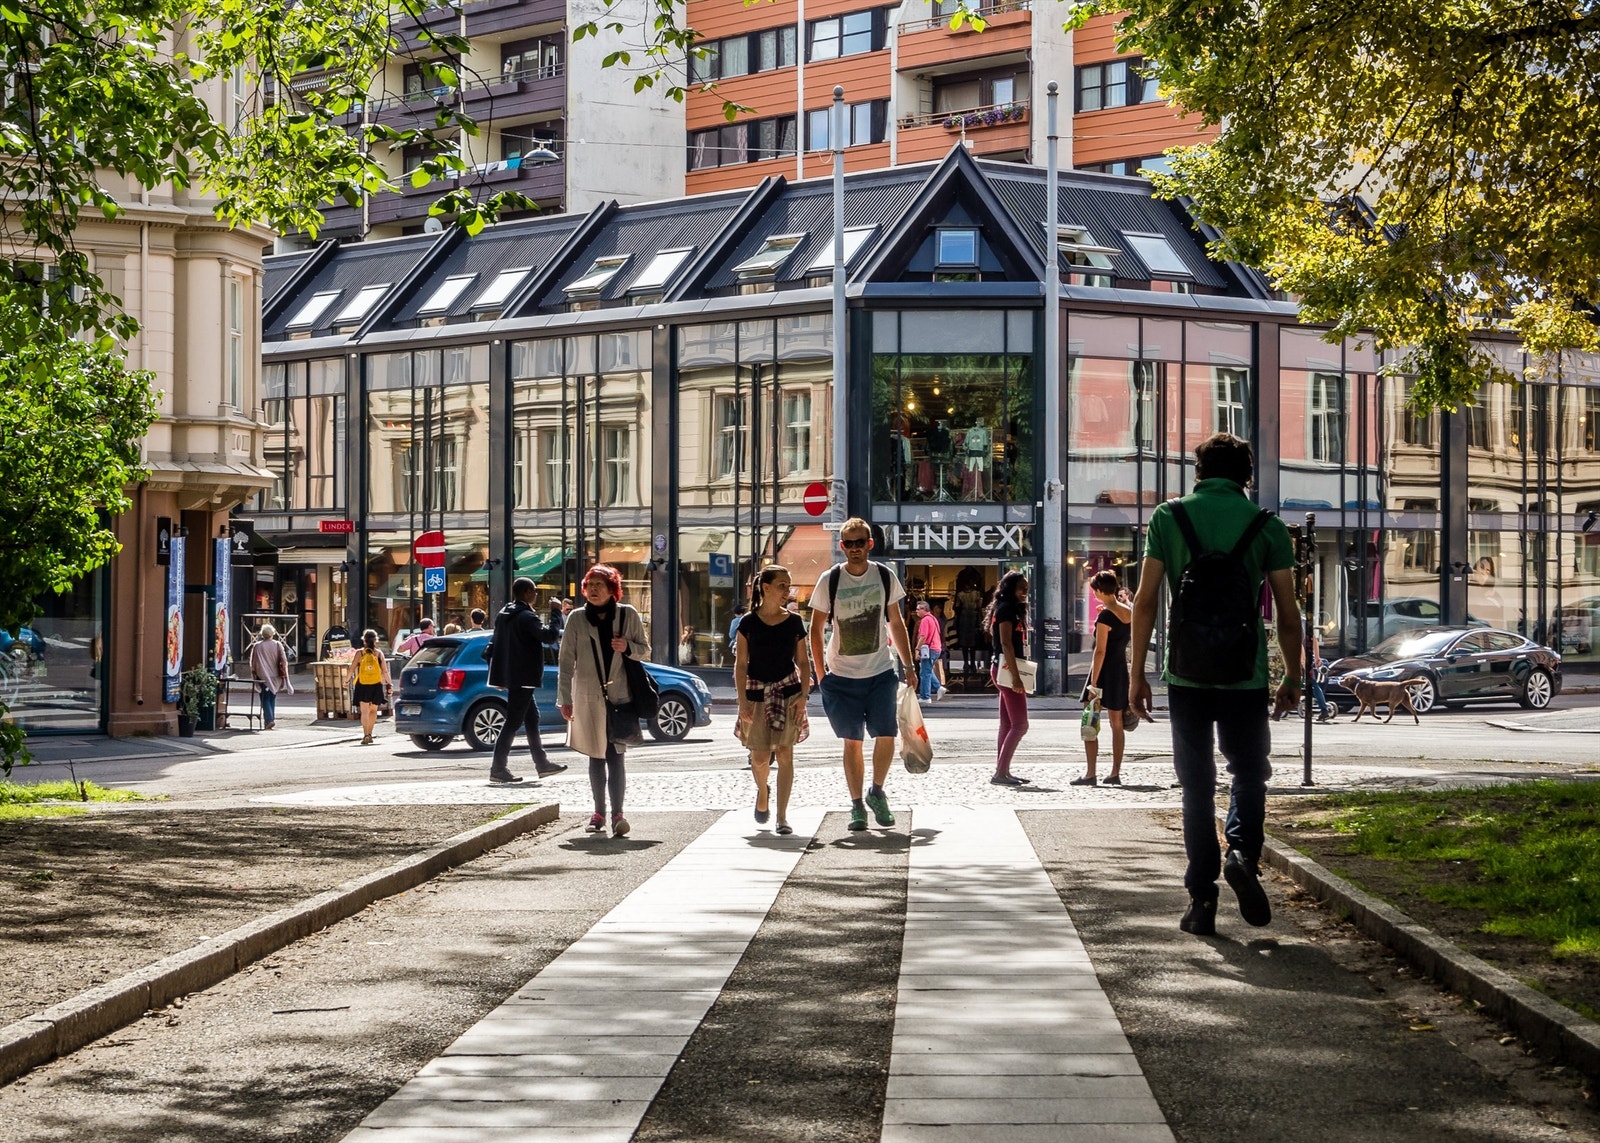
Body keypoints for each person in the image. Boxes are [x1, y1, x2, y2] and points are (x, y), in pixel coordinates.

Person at [1130, 432, 1301, 938]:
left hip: (1186, 673)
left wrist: (1137, 672)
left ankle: (1201, 900)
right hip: (1243, 674)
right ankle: (1244, 855)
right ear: (1247, 475)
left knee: (1196, 786)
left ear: (1198, 472)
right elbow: (1288, 615)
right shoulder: (1268, 527)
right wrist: (1291, 675)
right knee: (1250, 773)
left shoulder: (1169, 517)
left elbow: (1143, 601)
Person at [808, 518, 913, 832]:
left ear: (870, 543)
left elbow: (896, 623)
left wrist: (908, 666)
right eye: (848, 543)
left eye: (859, 542)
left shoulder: (883, 575)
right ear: (842, 547)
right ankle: (856, 806)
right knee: (852, 742)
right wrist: (820, 675)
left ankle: (877, 792)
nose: (854, 548)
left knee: (887, 735)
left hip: (880, 671)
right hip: (840, 677)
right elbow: (815, 629)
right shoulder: (830, 579)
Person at [558, 565, 650, 838]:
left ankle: (618, 814)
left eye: (600, 584)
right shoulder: (576, 618)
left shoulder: (627, 615)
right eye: (590, 585)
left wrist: (628, 648)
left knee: (615, 754)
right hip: (586, 697)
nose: (594, 590)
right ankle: (598, 813)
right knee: (595, 754)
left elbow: (645, 651)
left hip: (620, 697)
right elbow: (565, 662)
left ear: (612, 590)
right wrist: (564, 697)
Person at [734, 564, 811, 836]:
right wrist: (741, 700)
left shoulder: (794, 622)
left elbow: (803, 661)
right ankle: (762, 791)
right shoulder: (748, 623)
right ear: (765, 588)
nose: (787, 591)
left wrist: (803, 695)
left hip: (788, 692)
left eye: (788, 586)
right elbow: (741, 664)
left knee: (786, 753)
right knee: (759, 757)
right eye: (782, 586)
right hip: (756, 695)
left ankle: (782, 816)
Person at [488, 577, 568, 786]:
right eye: (533, 591)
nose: (535, 594)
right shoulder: (525, 617)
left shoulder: (505, 613)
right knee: (513, 722)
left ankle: (542, 764)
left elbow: (494, 643)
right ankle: (498, 768)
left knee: (532, 718)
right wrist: (556, 612)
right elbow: (550, 636)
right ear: (525, 592)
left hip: (513, 675)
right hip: (524, 675)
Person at [1074, 571, 1130, 786]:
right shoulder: (1126, 611)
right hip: (1120, 671)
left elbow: (1100, 651)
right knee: (1117, 724)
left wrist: (1094, 683)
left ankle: (1090, 773)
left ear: (1098, 590)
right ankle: (1115, 773)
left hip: (1104, 671)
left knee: (1090, 719)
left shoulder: (1105, 616)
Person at [987, 570, 1033, 786]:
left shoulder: (1006, 608)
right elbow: (1006, 643)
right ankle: (1001, 772)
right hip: (1007, 670)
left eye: (1026, 588)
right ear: (1010, 588)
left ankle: (1002, 770)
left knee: (1007, 725)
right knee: (1020, 725)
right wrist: (1016, 677)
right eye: (1021, 588)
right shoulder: (1006, 610)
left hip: (1002, 668)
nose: (1025, 591)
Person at [347, 629, 393, 746]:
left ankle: (366, 734)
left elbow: (352, 668)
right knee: (373, 710)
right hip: (376, 685)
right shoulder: (379, 654)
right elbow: (385, 671)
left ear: (364, 640)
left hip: (362, 685)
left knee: (364, 711)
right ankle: (370, 734)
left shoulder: (359, 653)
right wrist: (389, 684)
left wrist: (346, 680)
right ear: (376, 640)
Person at [248, 623, 292, 731]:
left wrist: (254, 674)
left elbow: (252, 663)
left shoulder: (257, 646)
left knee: (265, 699)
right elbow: (284, 661)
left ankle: (269, 720)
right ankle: (270, 719)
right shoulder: (278, 644)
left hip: (263, 676)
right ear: (272, 634)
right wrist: (286, 678)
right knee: (272, 697)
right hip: (276, 676)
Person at [913, 600, 945, 702]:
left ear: (924, 609)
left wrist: (917, 649)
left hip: (929, 649)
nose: (916, 611)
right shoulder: (933, 619)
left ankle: (925, 696)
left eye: (918, 609)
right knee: (927, 670)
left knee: (924, 673)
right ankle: (938, 688)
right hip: (936, 648)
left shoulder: (925, 620)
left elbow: (923, 636)